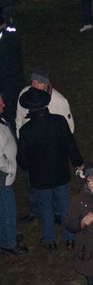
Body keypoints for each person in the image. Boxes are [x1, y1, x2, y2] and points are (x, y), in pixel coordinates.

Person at [16, 87, 84, 253]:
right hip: (60, 173)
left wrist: (29, 167)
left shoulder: (26, 130)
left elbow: (23, 159)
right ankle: (70, 239)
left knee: (45, 207)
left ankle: (50, 240)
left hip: (40, 178)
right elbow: (70, 145)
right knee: (64, 205)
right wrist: (78, 163)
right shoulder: (59, 121)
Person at [16, 67, 76, 224]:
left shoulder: (59, 102)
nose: (35, 85)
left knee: (55, 183)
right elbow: (19, 119)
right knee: (31, 182)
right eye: (33, 81)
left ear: (47, 84)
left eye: (39, 83)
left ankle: (57, 211)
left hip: (51, 150)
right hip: (32, 149)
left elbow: (68, 129)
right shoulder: (25, 95)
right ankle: (34, 210)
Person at [0, 93, 27, 255]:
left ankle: (6, 235)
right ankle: (8, 243)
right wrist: (9, 167)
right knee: (8, 210)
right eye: (1, 103)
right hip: (2, 177)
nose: (3, 106)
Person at [0, 15, 23, 123]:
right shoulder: (13, 33)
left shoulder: (3, 41)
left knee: (8, 110)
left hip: (5, 82)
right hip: (16, 77)